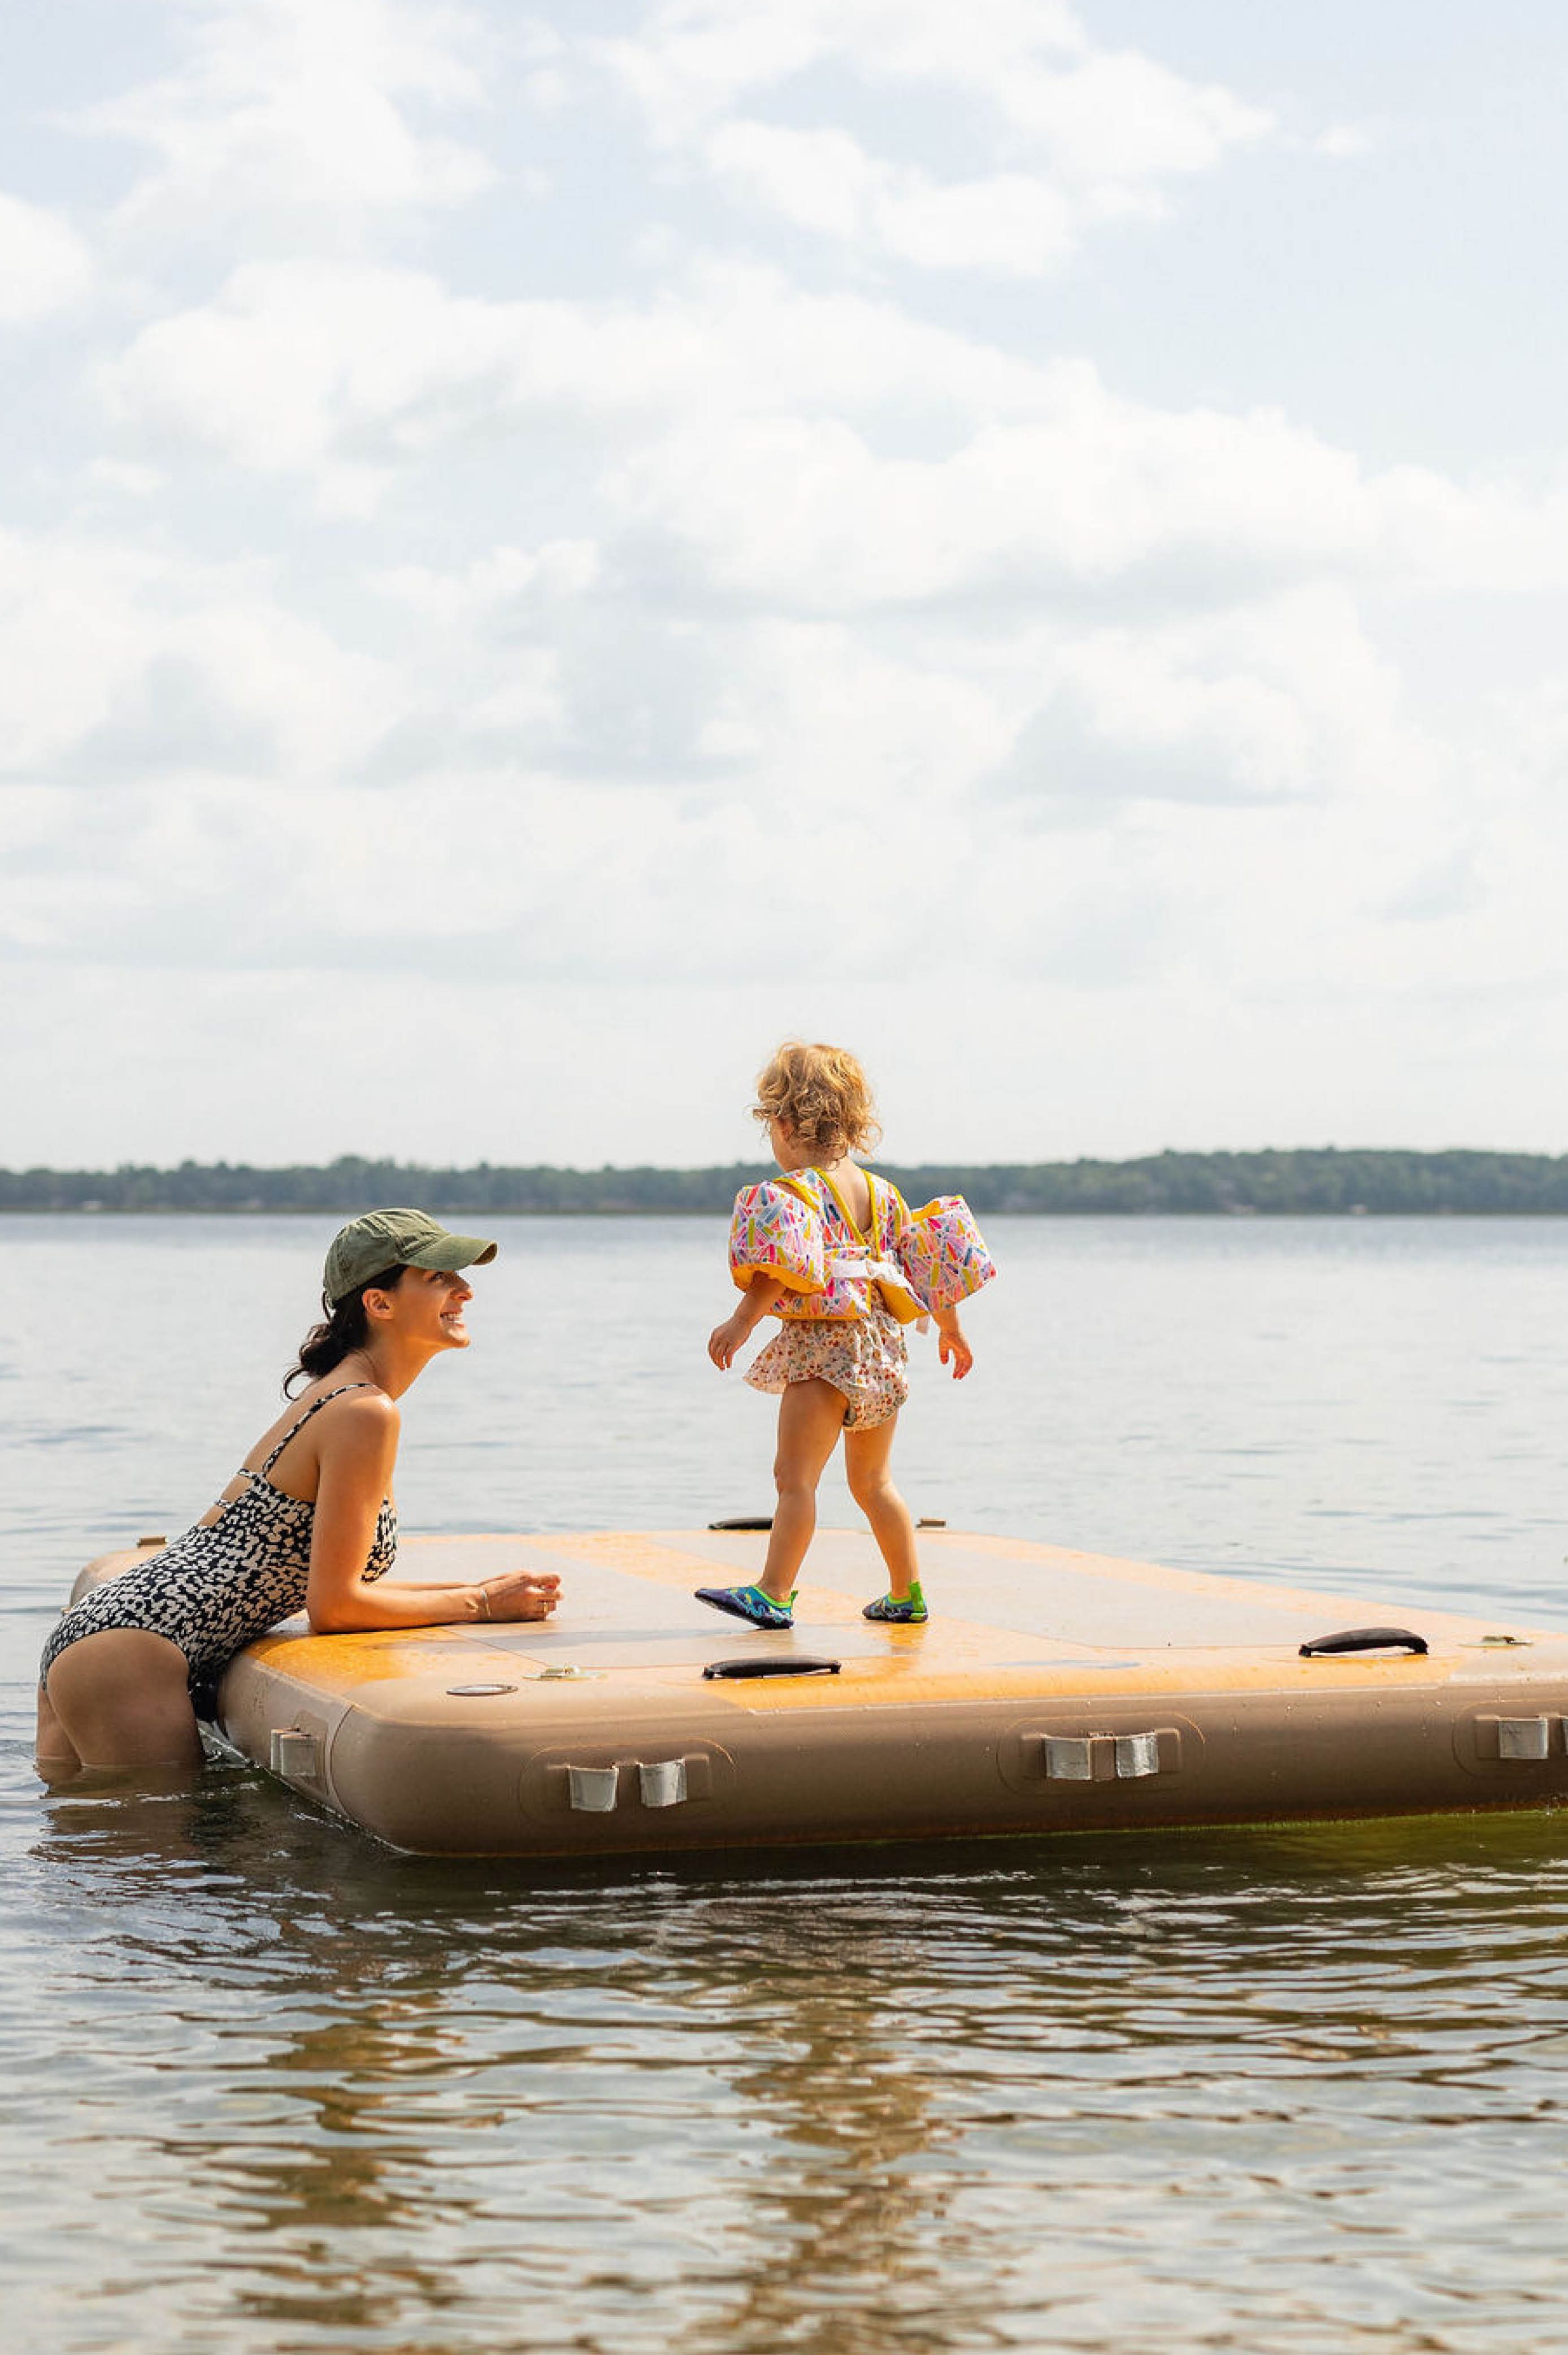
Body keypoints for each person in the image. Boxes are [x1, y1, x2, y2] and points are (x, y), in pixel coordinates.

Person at [37, 1207, 560, 1778]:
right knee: (155, 1865)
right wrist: (479, 1605)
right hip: (135, 1650)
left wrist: (480, 1589)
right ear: (378, 1303)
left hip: (113, 1633)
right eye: (439, 1277)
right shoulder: (365, 1411)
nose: (466, 1291)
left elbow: (328, 1583)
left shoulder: (340, 1396)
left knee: (81, 1847)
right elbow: (335, 1608)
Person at [700, 1042, 995, 1630]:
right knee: (874, 1482)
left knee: (795, 1479)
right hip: (883, 1351)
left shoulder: (795, 1192)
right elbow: (927, 1267)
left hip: (823, 1351)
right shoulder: (883, 1193)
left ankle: (774, 1592)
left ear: (783, 1124)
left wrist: (741, 1321)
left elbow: (780, 1266)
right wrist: (952, 1331)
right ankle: (906, 1593)